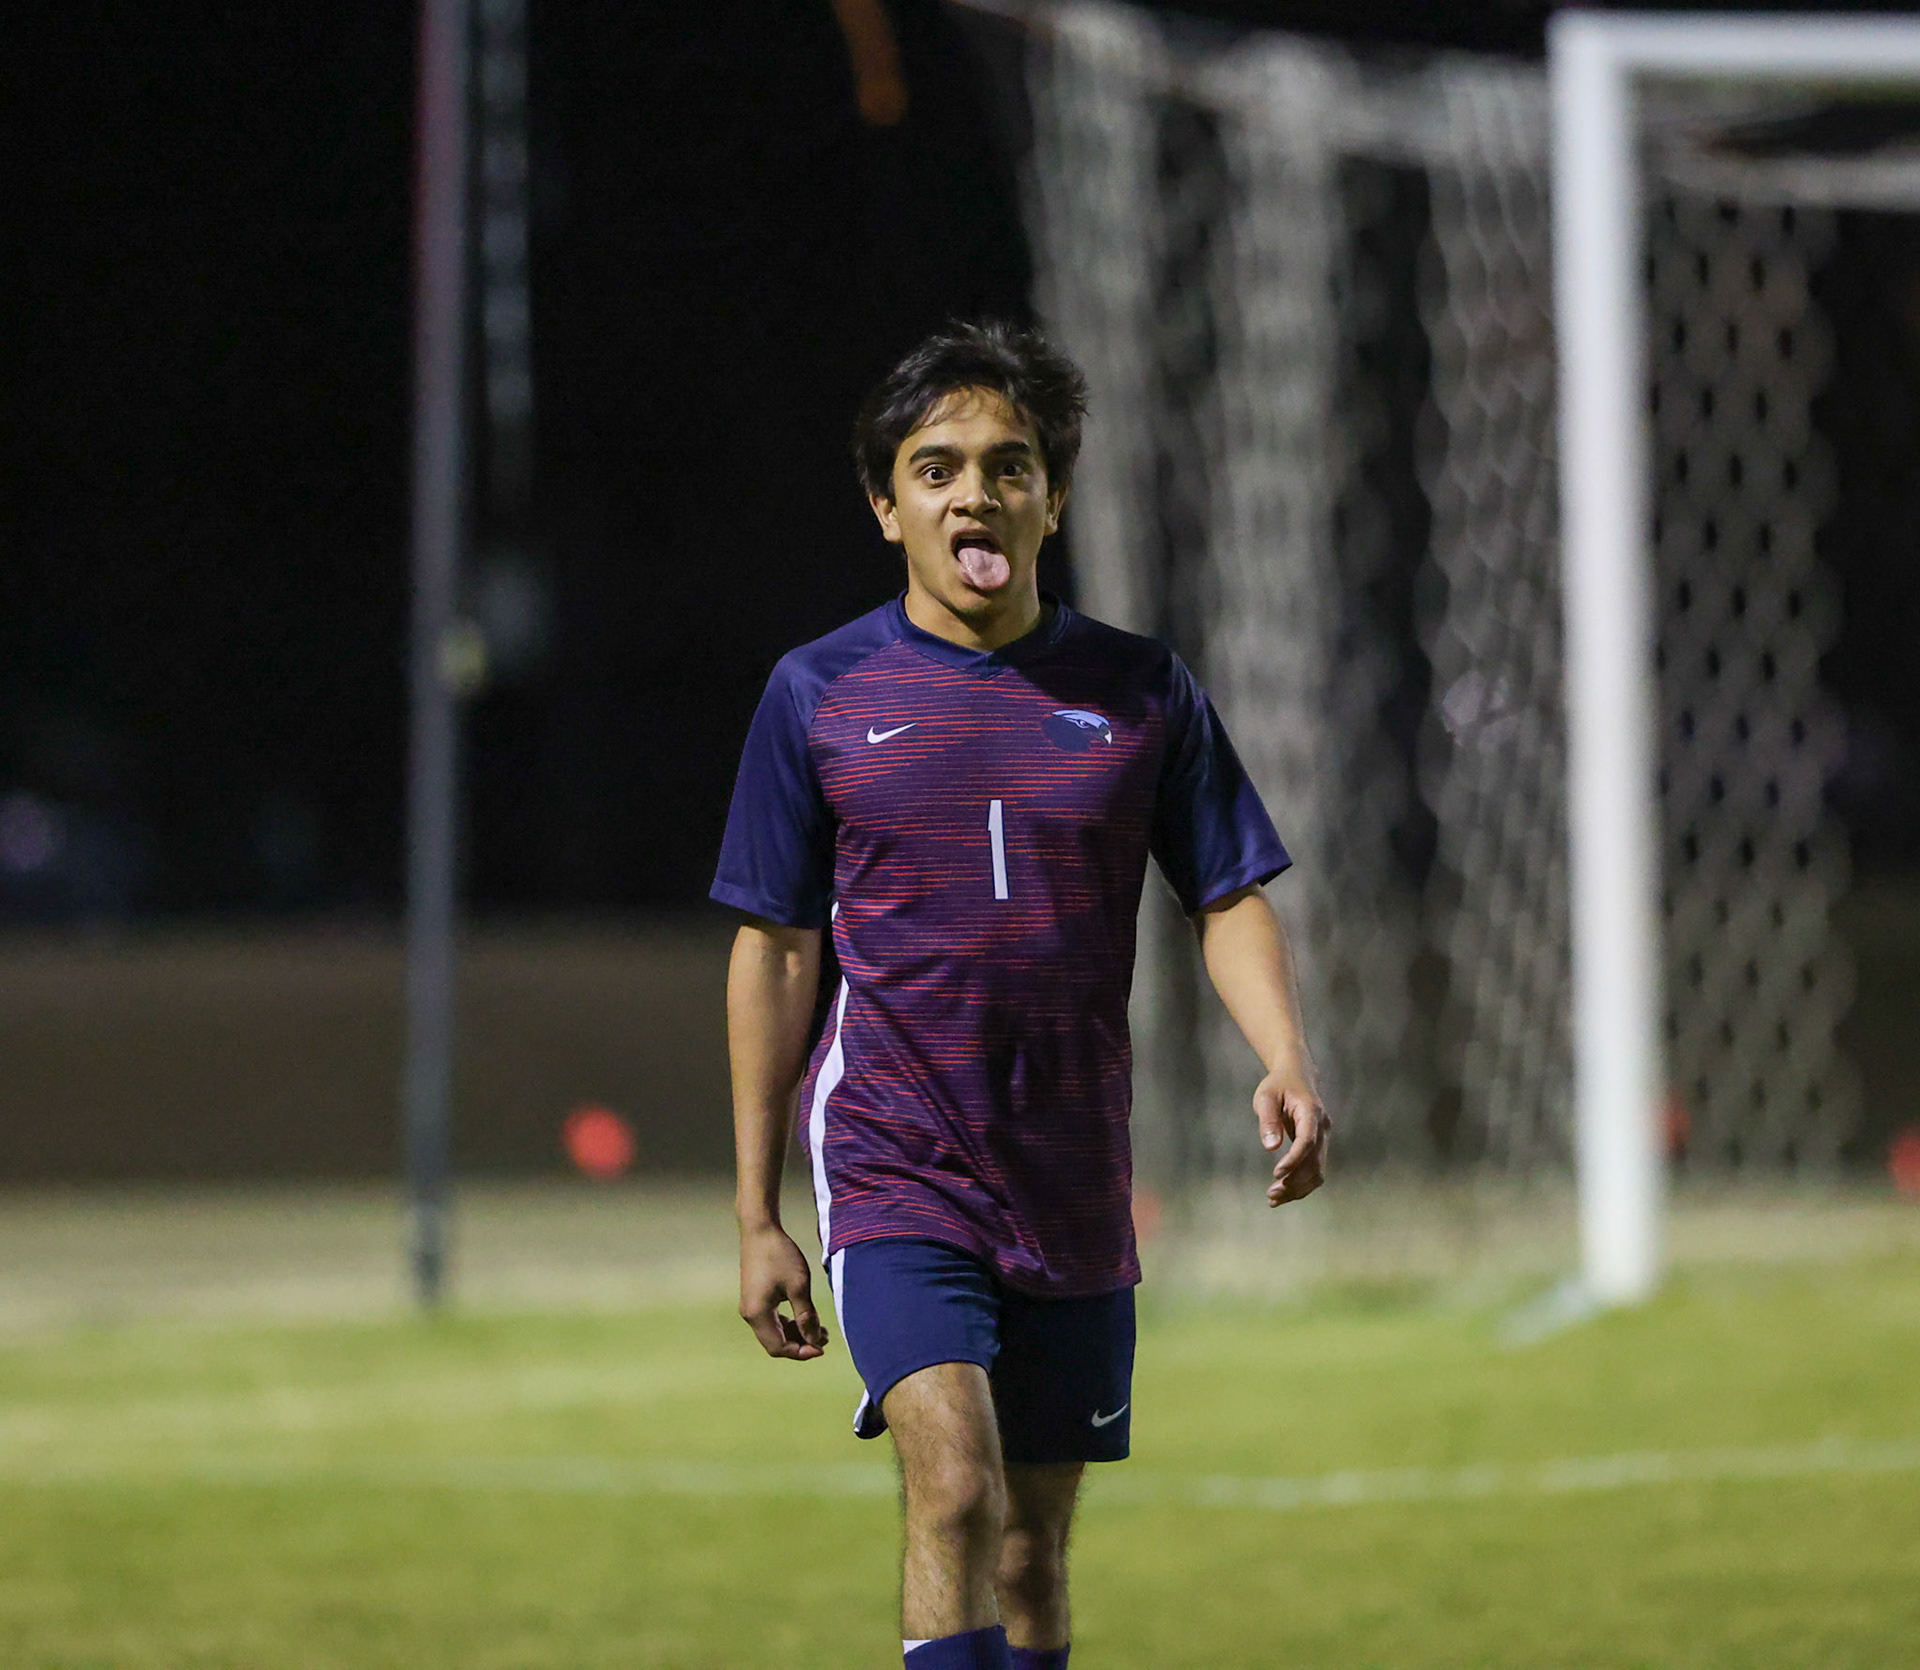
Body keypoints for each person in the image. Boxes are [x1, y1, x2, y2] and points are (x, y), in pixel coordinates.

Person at [713, 320, 1328, 1670]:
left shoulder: (1141, 689)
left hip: (1070, 1164)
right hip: (895, 1154)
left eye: (1009, 464)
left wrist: (1283, 1052)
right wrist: (759, 1211)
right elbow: (773, 950)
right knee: (953, 1486)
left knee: (1033, 1559)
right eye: (934, 469)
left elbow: (1224, 891)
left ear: (1053, 494)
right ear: (886, 507)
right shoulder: (818, 694)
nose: (974, 493)